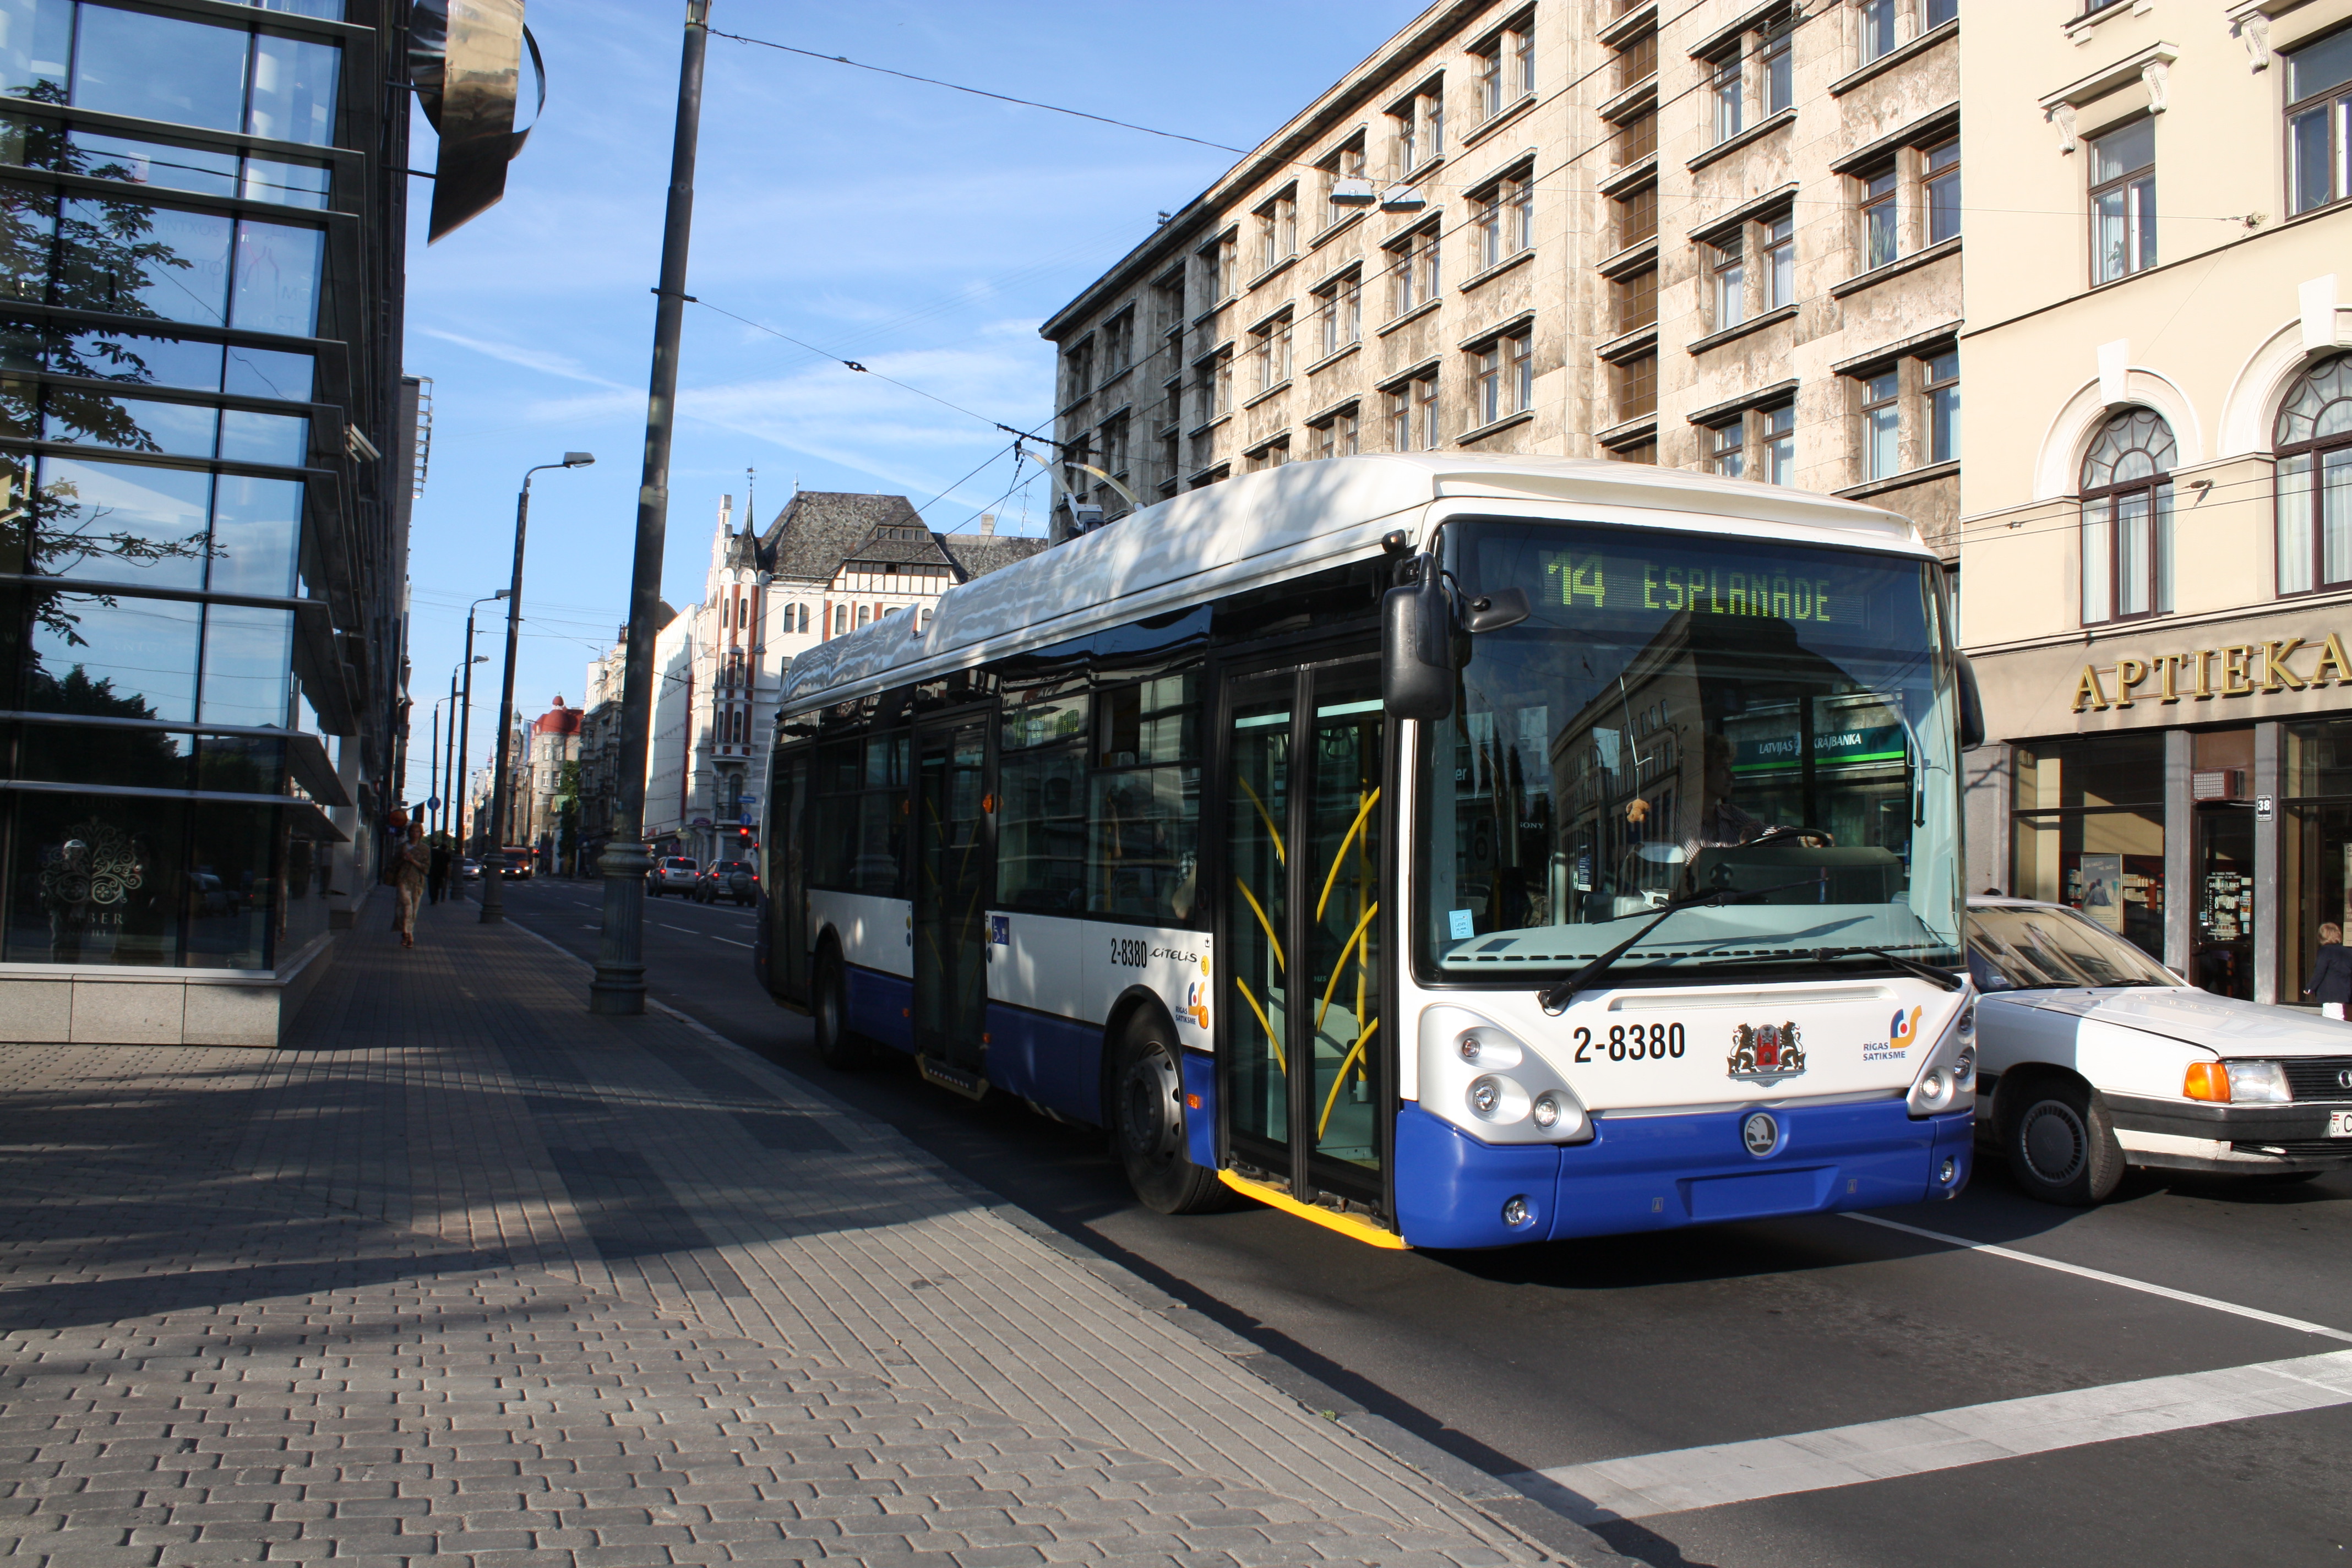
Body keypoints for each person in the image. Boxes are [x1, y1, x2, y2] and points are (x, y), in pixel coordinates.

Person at [393, 821, 429, 949]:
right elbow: (393, 864)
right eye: (413, 831)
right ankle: (406, 932)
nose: (415, 834)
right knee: (407, 905)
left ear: (421, 833)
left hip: (418, 882)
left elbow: (426, 868)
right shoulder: (402, 847)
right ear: (409, 833)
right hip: (403, 879)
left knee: (414, 911)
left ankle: (409, 935)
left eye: (418, 832)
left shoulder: (425, 849)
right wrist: (402, 859)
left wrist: (412, 860)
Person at [2304, 922, 2352, 1021]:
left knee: (2333, 1021)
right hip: (2346, 991)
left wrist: (2310, 988)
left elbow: (2319, 971)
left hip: (2330, 992)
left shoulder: (2325, 951)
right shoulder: (2348, 951)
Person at [427, 838, 452, 905]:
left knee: (431, 886)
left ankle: (433, 899)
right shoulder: (445, 854)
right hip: (441, 872)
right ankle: (437, 898)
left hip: (431, 871)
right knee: (437, 886)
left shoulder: (430, 852)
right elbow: (448, 864)